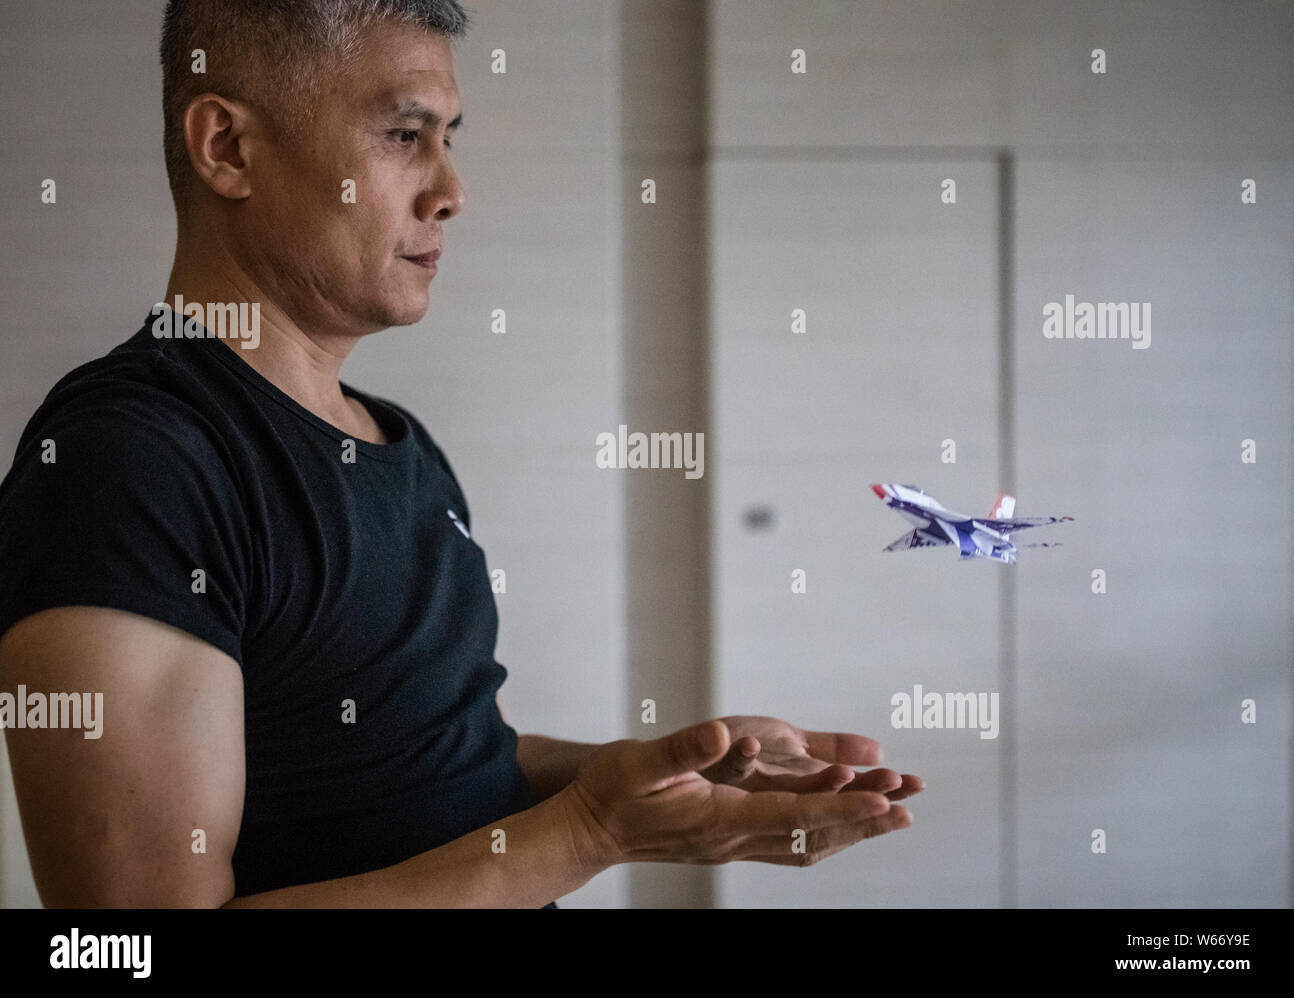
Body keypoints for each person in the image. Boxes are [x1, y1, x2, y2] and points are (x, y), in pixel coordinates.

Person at [0, 0, 921, 908]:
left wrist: (652, 780)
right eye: (405, 135)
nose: (452, 189)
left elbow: (448, 757)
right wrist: (595, 830)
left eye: (449, 137)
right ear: (228, 149)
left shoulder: (400, 444)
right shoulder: (127, 460)